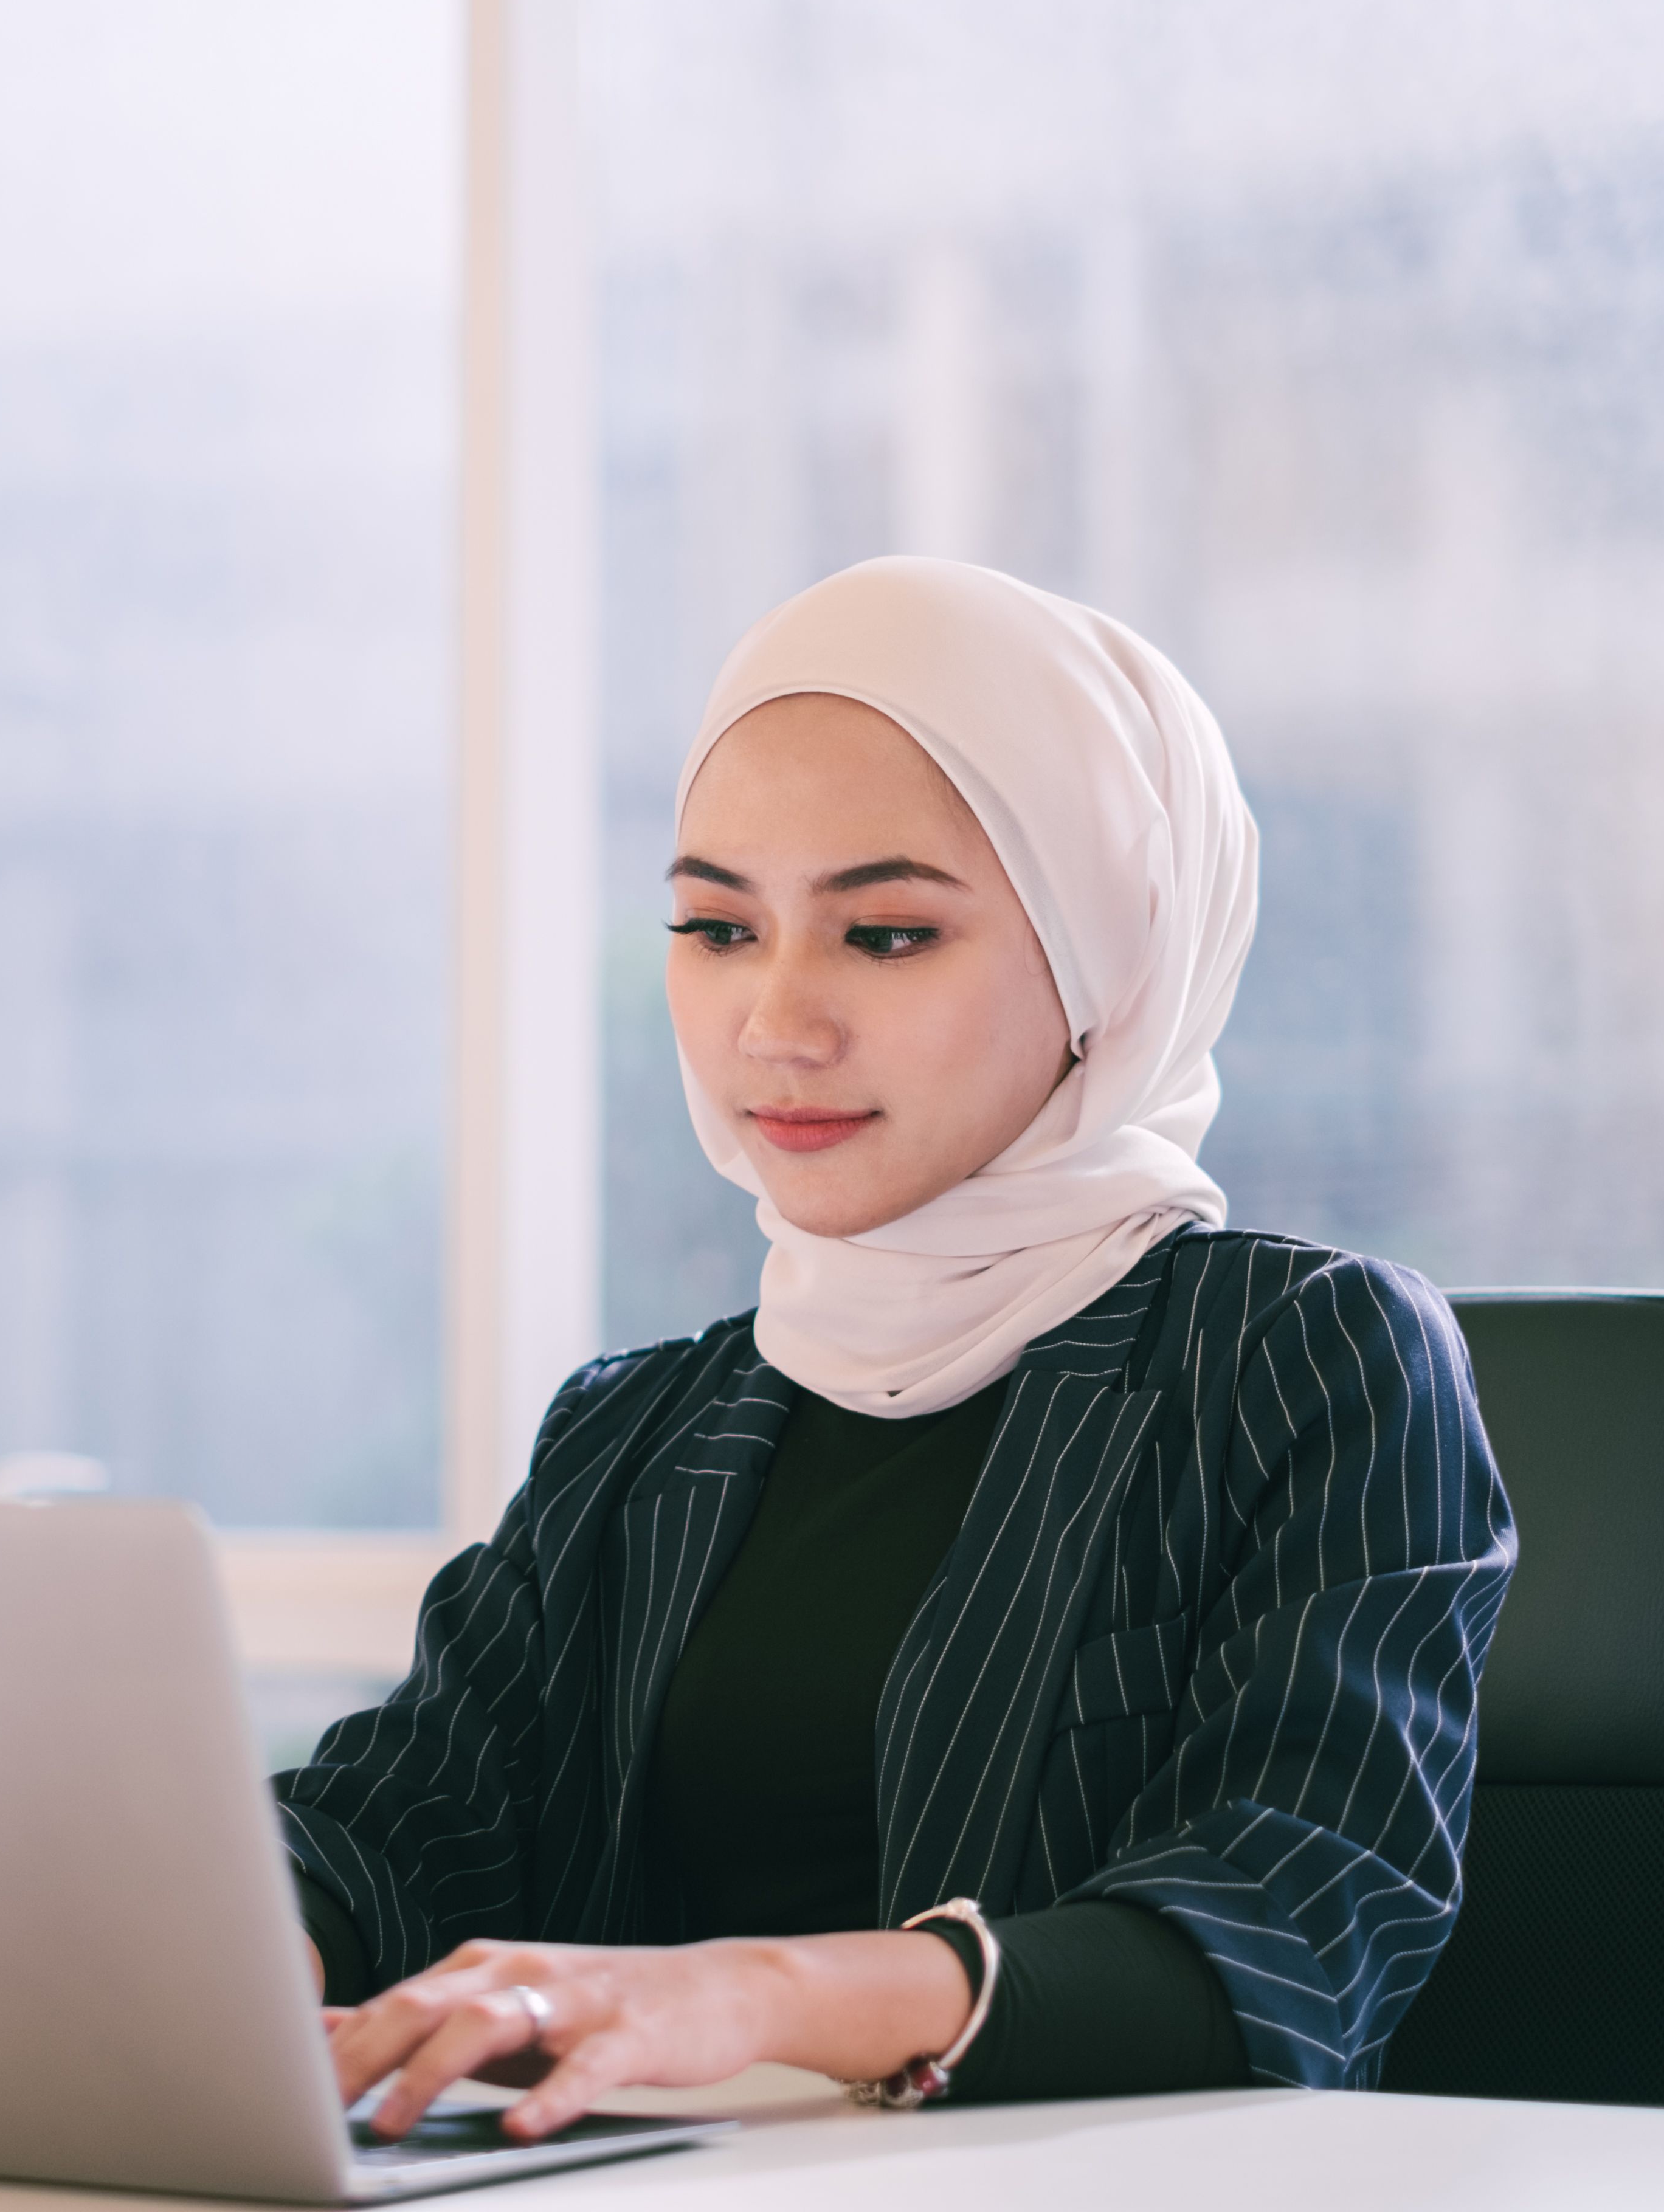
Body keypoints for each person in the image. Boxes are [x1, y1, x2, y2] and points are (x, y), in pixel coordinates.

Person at [275, 556, 1513, 2139]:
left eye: (886, 937)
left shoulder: (1305, 1363)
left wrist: (743, 1999)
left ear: (1103, 965)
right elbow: (401, 1827)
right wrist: (208, 1945)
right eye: (717, 928)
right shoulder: (638, 1429)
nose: (772, 1025)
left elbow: (1286, 1939)